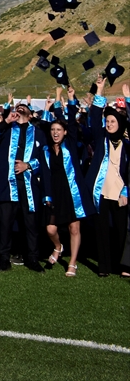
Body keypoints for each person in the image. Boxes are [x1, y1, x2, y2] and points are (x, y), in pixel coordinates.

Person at [0, 101, 43, 272]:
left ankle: (32, 258)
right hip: (7, 184)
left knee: (30, 223)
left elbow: (44, 157)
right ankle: (4, 258)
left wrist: (28, 164)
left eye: (24, 107)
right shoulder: (7, 129)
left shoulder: (38, 132)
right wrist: (6, 120)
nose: (20, 108)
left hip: (28, 184)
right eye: (17, 107)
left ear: (30, 113)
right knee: (5, 223)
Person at [85, 92, 128, 278]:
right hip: (100, 192)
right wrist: (99, 93)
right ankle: (104, 266)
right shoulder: (101, 140)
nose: (110, 124)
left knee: (121, 232)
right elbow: (94, 119)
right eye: (108, 121)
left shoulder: (127, 145)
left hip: (120, 194)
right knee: (101, 231)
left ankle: (123, 265)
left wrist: (126, 191)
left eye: (113, 121)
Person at [41, 119, 85, 277]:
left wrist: (70, 100)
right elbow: (45, 174)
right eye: (53, 129)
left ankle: (72, 263)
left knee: (74, 228)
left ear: (65, 132)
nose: (55, 133)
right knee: (51, 229)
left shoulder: (71, 146)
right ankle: (58, 246)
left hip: (72, 192)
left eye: (59, 129)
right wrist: (47, 194)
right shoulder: (46, 150)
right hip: (54, 192)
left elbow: (73, 124)